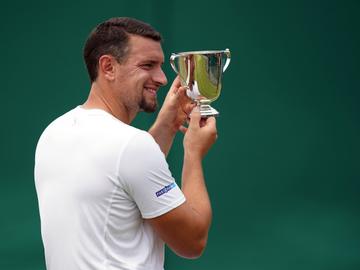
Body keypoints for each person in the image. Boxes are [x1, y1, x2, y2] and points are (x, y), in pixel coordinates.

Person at [34, 17, 217, 270]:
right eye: (148, 65)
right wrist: (193, 153)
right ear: (108, 66)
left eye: (161, 66)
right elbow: (192, 241)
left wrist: (168, 125)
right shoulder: (131, 147)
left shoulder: (54, 132)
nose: (163, 78)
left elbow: (120, 177)